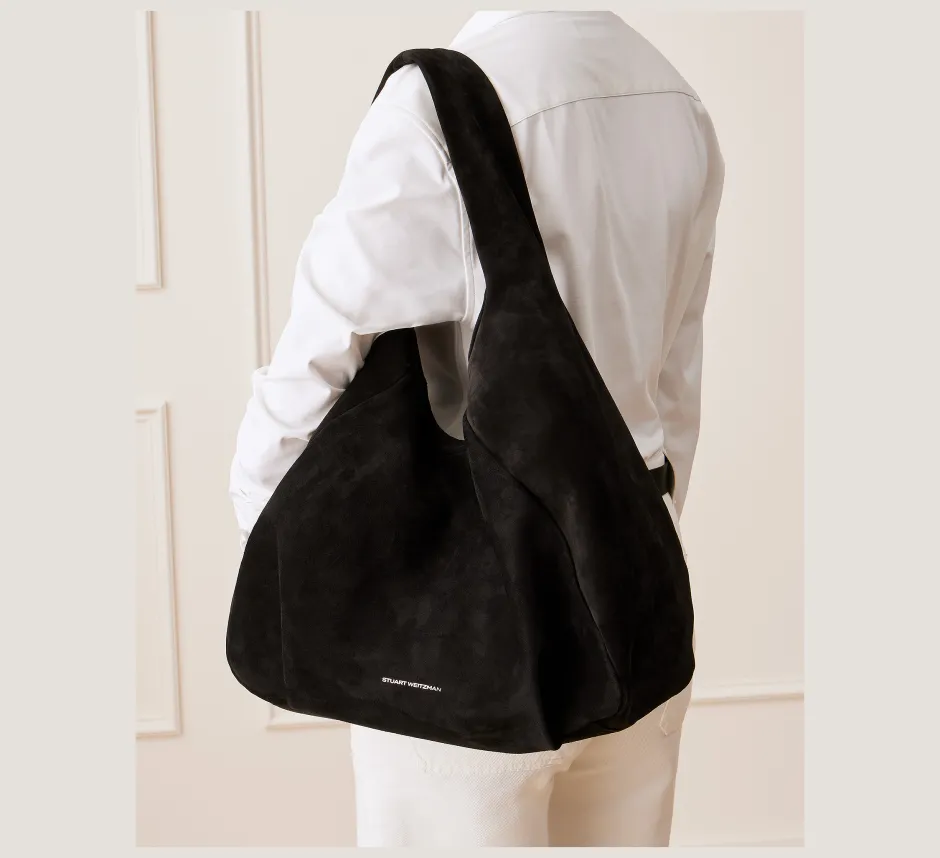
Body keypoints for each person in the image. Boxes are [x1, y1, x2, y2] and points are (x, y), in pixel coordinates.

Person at [228, 10, 724, 848]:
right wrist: (647, 533)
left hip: (468, 630)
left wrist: (278, 541)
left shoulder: (434, 107)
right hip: (637, 596)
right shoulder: (673, 96)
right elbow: (677, 365)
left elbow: (319, 358)